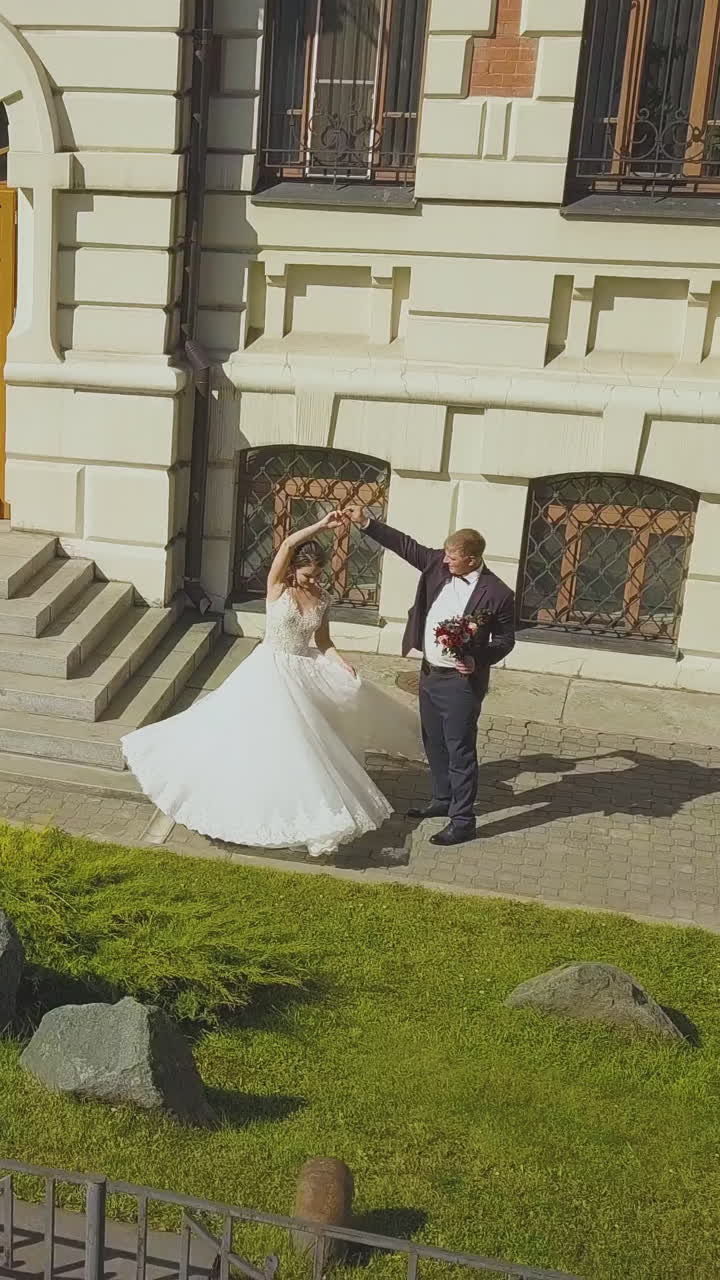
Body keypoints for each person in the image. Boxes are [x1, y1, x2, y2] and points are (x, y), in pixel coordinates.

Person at [122, 512, 421, 858]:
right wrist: (322, 526)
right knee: (254, 737)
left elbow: (322, 642)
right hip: (267, 669)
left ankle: (298, 803)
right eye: (308, 574)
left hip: (300, 671)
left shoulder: (322, 599)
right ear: (294, 569)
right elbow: (289, 543)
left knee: (303, 743)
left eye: (318, 574)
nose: (313, 580)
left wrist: (340, 661)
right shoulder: (278, 586)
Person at [343, 504, 516, 846]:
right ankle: (441, 798)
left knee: (460, 749)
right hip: (429, 675)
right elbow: (405, 545)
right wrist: (365, 522)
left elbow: (506, 640)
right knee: (433, 742)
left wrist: (478, 659)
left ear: (472, 559)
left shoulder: (498, 594)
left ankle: (464, 820)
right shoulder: (437, 565)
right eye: (446, 554)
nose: (445, 561)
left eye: (453, 556)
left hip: (460, 683)